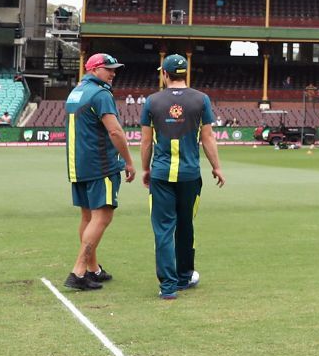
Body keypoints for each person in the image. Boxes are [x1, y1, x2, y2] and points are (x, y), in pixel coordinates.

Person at [139, 55, 226, 301]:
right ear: (185, 74)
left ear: (165, 74)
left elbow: (146, 142)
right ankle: (185, 276)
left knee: (164, 229)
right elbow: (208, 138)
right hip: (190, 175)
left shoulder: (152, 101)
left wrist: (145, 169)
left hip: (161, 174)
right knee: (186, 225)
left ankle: (168, 287)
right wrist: (217, 167)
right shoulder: (201, 99)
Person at [63, 53, 137, 292]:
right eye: (108, 69)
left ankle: (93, 269)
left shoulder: (76, 91)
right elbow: (115, 131)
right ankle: (78, 271)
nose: (113, 73)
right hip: (101, 165)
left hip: (78, 165)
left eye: (115, 69)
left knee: (87, 217)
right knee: (102, 217)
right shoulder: (101, 94)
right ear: (94, 69)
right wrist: (128, 161)